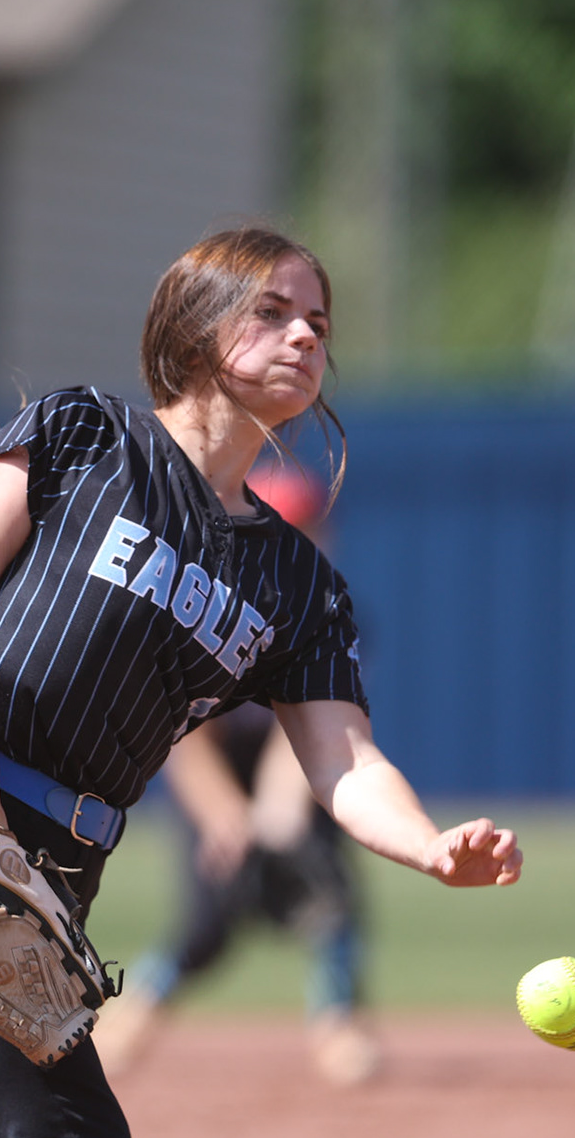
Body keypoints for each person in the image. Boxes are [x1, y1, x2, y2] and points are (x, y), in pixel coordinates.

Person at [0, 225, 523, 1138]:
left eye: (319, 319)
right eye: (271, 309)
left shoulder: (297, 583)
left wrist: (428, 844)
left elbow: (344, 756)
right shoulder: (83, 436)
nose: (305, 334)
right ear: (194, 325)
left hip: (47, 884)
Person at [92, 464, 383, 1087]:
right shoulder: (207, 604)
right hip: (215, 779)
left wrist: (282, 806)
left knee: (333, 903)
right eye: (285, 527)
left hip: (303, 776)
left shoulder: (328, 607)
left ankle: (340, 1027)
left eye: (310, 526)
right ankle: (135, 1011)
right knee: (209, 924)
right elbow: (184, 737)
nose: (300, 540)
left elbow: (312, 725)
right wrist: (225, 814)